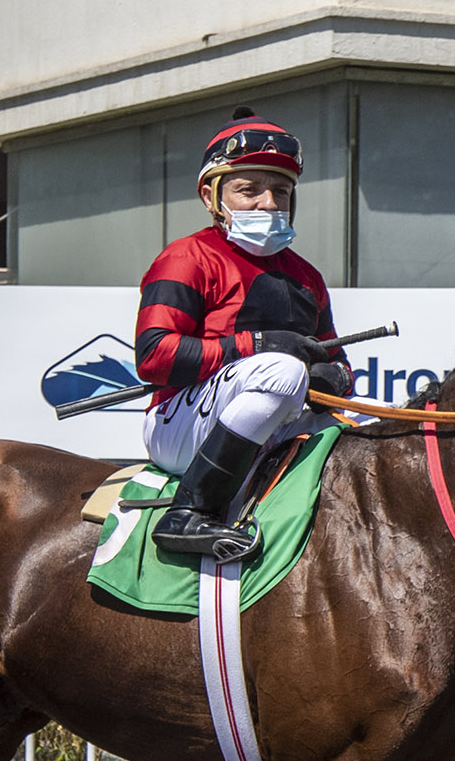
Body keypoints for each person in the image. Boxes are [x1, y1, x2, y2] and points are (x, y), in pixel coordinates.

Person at [134, 107, 350, 562]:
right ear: (211, 196)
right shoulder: (186, 257)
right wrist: (259, 346)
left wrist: (337, 378)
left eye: (280, 191)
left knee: (377, 429)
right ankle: (188, 513)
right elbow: (153, 357)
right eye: (249, 190)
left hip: (275, 419)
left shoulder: (308, 276)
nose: (268, 203)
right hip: (178, 427)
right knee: (283, 371)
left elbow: (337, 359)